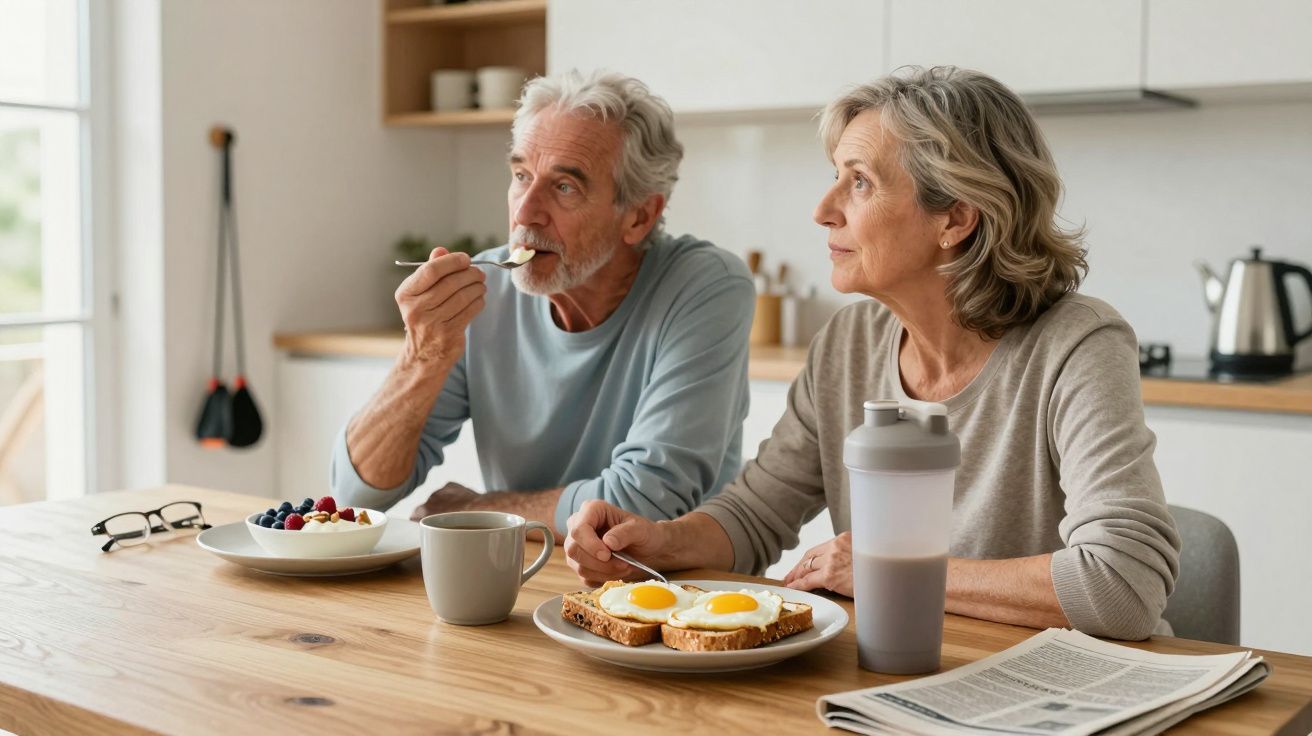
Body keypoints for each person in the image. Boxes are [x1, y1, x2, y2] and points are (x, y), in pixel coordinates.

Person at [563, 66, 1181, 640]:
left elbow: (1123, 585)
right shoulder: (849, 342)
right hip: (901, 671)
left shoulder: (1076, 344)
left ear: (956, 218)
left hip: (1057, 694)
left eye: (859, 182)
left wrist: (888, 568)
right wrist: (654, 544)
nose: (823, 209)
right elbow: (755, 515)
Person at [331, 70, 754, 539]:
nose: (525, 212)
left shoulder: (705, 286)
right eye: (520, 176)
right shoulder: (482, 294)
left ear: (638, 216)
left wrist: (481, 510)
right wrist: (421, 356)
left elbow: (645, 501)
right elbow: (357, 494)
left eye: (564, 187)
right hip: (524, 575)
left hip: (668, 592)